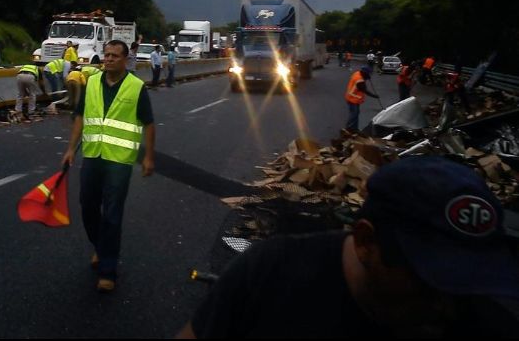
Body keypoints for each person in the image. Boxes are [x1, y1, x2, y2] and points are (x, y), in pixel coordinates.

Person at [177, 156, 519, 338]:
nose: (448, 307)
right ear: (366, 241)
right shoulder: (269, 272)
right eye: (431, 282)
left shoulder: (486, 323)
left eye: (473, 281)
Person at [61, 40, 155, 293]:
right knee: (87, 206)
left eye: (115, 55)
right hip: (92, 155)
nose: (109, 59)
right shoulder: (92, 82)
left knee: (112, 214)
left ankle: (108, 270)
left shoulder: (136, 87)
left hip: (119, 160)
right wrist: (70, 149)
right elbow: (80, 116)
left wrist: (148, 157)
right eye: (107, 54)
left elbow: (148, 123)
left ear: (125, 60)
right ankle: (100, 246)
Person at [344, 65, 379, 132]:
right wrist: (374, 96)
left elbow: (363, 80)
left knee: (356, 113)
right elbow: (364, 90)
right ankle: (348, 129)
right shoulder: (359, 80)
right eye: (368, 74)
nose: (369, 75)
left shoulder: (357, 73)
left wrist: (366, 78)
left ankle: (354, 128)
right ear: (364, 73)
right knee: (354, 114)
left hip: (351, 97)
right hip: (353, 98)